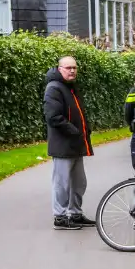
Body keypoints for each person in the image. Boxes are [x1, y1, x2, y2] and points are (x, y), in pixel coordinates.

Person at [43, 56, 95, 231]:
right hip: (63, 145)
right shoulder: (54, 88)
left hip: (75, 145)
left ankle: (75, 213)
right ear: (60, 69)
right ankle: (60, 217)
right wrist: (74, 130)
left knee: (79, 183)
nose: (72, 71)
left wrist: (84, 130)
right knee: (62, 183)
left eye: (74, 67)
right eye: (68, 68)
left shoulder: (71, 88)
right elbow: (53, 117)